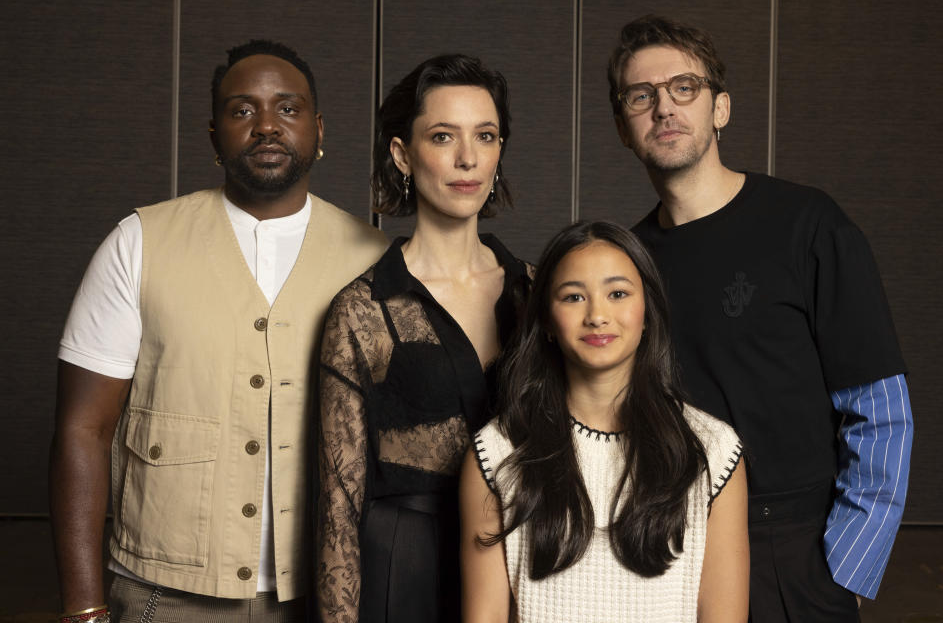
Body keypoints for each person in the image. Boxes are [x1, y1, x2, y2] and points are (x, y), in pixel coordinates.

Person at [49, 40, 387, 623]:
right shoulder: (138, 242)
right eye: (241, 111)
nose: (265, 126)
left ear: (318, 128)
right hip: (165, 593)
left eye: (287, 108)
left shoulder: (376, 258)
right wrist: (84, 610)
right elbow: (83, 427)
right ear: (213, 136)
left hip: (326, 597)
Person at [608, 15, 914, 621]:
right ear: (624, 126)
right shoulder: (626, 264)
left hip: (796, 547)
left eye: (684, 88)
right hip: (675, 543)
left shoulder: (807, 223)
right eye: (642, 96)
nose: (664, 107)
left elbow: (880, 409)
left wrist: (843, 568)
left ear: (720, 108)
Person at [314, 54, 532, 623]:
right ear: (402, 154)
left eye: (485, 136)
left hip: (522, 557)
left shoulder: (537, 292)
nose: (467, 158)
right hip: (404, 571)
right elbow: (338, 504)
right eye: (443, 136)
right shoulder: (362, 310)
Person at [460, 221, 748, 622]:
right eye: (574, 297)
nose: (597, 315)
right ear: (545, 321)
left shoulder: (712, 451)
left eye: (617, 294)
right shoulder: (497, 452)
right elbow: (485, 616)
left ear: (647, 312)